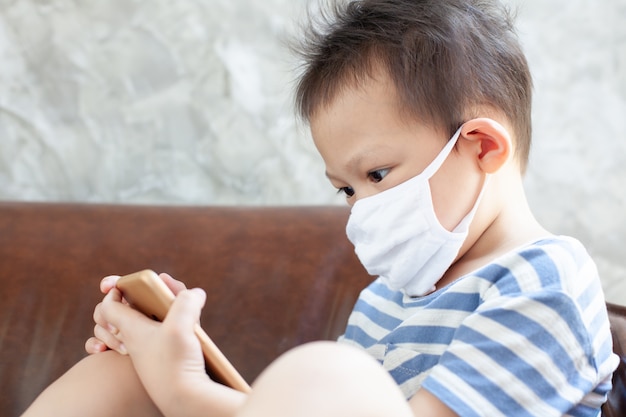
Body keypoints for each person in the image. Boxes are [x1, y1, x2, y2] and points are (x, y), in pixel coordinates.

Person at [21, 0, 618, 416]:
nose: (360, 209)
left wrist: (183, 389)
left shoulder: (545, 284)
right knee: (122, 375)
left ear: (482, 147)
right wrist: (171, 356)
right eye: (346, 189)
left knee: (328, 373)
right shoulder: (387, 297)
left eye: (377, 174)